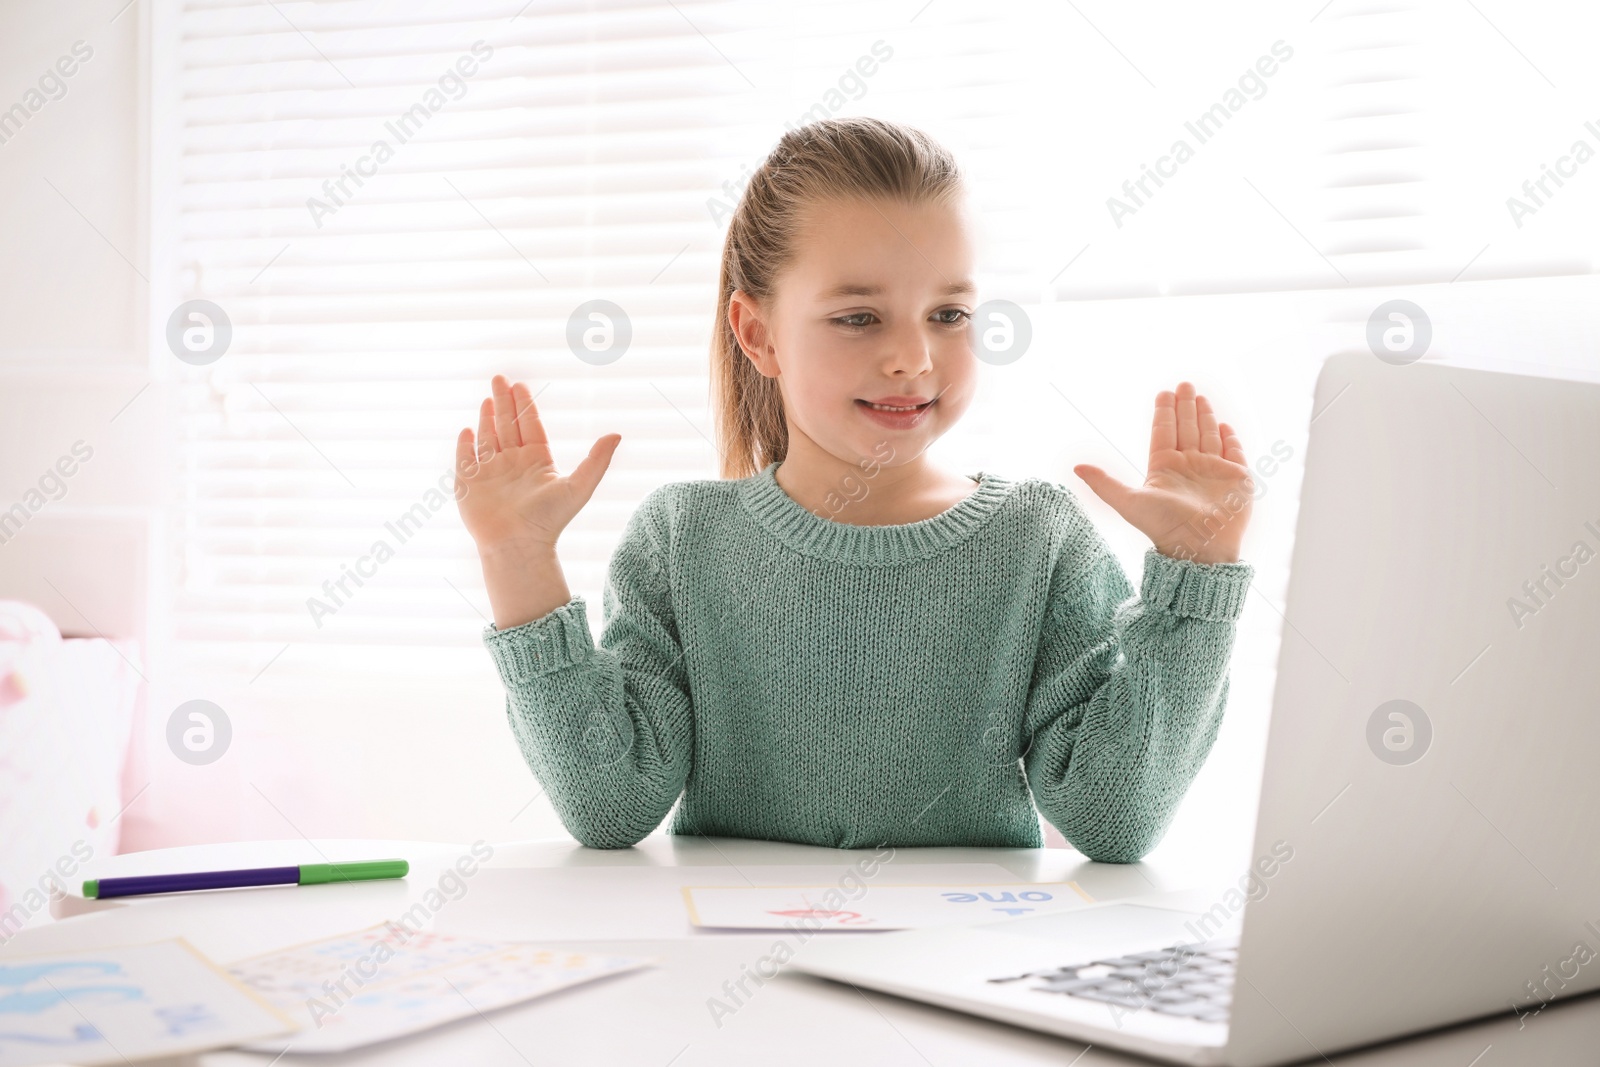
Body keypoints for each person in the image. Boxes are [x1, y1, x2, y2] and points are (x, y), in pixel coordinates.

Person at [454, 117, 1255, 860]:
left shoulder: (1036, 537)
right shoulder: (682, 538)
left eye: (948, 313)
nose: (913, 356)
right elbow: (611, 804)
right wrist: (518, 560)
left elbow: (1113, 819)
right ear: (758, 333)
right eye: (859, 317)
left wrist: (1195, 584)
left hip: (960, 968)